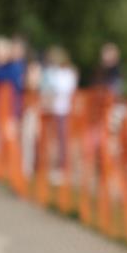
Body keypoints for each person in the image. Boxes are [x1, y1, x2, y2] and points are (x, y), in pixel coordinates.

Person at [39, 46, 78, 182]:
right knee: (52, 139)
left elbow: (66, 89)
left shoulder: (68, 73)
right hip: (51, 110)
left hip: (63, 110)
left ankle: (62, 167)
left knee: (62, 139)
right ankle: (50, 166)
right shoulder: (52, 73)